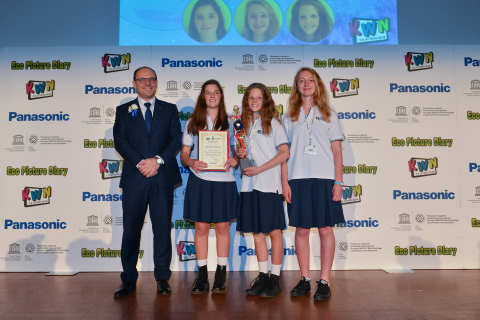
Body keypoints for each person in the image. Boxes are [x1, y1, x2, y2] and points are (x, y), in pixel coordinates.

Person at [112, 66, 182, 297]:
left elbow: (175, 139)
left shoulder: (169, 109)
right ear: (134, 83)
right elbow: (120, 142)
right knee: (131, 231)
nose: (147, 83)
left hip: (162, 178)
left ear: (157, 82)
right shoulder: (124, 110)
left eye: (151, 79)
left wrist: (158, 161)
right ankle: (128, 279)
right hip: (135, 178)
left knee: (162, 230)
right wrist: (142, 163)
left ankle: (162, 278)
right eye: (142, 79)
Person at [282, 67, 345, 301]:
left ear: (317, 84)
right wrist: (284, 182)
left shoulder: (329, 114)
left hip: (325, 179)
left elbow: (337, 152)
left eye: (310, 80)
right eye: (301, 80)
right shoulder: (288, 117)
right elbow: (284, 154)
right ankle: (305, 279)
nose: (306, 84)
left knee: (326, 229)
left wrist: (339, 182)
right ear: (296, 86)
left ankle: (325, 281)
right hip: (297, 179)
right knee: (301, 230)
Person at [180, 79, 239, 294]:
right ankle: (202, 274)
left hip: (224, 181)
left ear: (221, 96)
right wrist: (191, 162)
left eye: (216, 92)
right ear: (202, 96)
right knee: (201, 228)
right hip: (200, 180)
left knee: (223, 228)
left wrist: (235, 159)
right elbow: (183, 155)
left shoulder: (232, 123)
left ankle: (221, 273)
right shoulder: (193, 122)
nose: (212, 96)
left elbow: (238, 153)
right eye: (208, 92)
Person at [236, 83, 289, 298]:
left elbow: (284, 153)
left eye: (259, 97)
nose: (255, 101)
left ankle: (275, 278)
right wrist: (240, 153)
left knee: (274, 232)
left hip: (268, 184)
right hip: (249, 185)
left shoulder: (274, 123)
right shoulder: (242, 124)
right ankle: (263, 276)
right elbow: (244, 156)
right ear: (246, 100)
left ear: (266, 99)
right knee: (257, 233)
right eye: (251, 97)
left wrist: (259, 169)